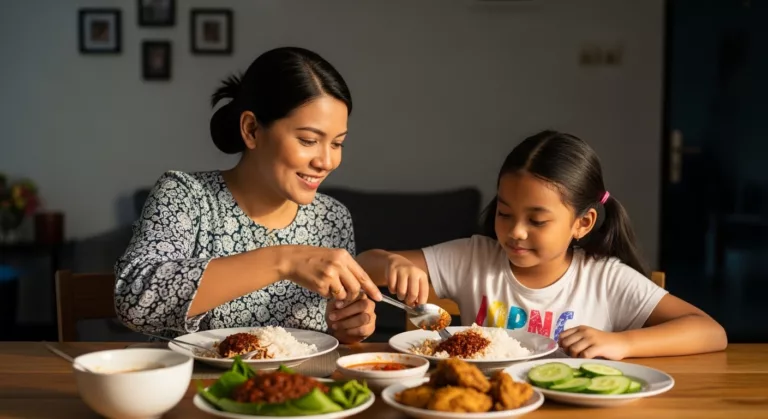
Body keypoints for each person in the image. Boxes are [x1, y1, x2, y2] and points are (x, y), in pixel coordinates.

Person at [357, 130, 727, 359]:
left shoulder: (604, 278)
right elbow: (363, 264)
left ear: (582, 224)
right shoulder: (473, 258)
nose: (515, 232)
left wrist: (625, 343)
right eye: (505, 214)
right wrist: (392, 264)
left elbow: (710, 331)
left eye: (537, 221)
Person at [115, 47, 382, 344]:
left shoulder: (333, 218)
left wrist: (347, 327)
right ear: (252, 130)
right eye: (308, 140)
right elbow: (134, 301)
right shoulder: (184, 196)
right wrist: (284, 261)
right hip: (193, 386)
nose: (326, 161)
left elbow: (328, 332)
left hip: (297, 387)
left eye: (337, 143)